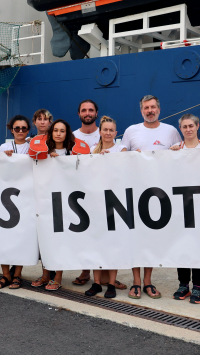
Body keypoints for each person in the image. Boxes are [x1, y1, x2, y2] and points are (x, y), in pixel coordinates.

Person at [121, 95, 181, 299]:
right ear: (141, 111)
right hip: (136, 192)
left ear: (159, 109)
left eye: (153, 107)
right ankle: (136, 281)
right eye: (146, 108)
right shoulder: (131, 131)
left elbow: (183, 157)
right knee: (136, 236)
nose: (150, 110)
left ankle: (148, 281)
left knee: (152, 237)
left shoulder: (171, 131)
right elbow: (120, 158)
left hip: (160, 194)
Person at [169, 113, 200, 304]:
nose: (188, 129)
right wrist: (170, 155)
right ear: (181, 129)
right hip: (181, 206)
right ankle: (183, 284)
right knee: (182, 244)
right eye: (184, 127)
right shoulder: (175, 151)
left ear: (197, 126)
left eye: (191, 126)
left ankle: (198, 287)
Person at [32, 119, 76, 291]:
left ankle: (57, 276)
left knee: (61, 239)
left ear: (67, 133)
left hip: (66, 202)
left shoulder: (72, 153)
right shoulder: (43, 151)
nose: (58, 133)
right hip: (45, 201)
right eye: (55, 130)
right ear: (51, 133)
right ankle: (45, 274)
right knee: (45, 238)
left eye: (62, 131)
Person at [85, 116, 127, 299]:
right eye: (105, 130)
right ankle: (96, 283)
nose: (108, 133)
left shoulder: (121, 149)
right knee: (96, 243)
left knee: (112, 244)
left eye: (111, 130)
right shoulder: (91, 151)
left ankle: (111, 283)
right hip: (96, 203)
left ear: (116, 133)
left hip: (115, 203)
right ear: (100, 132)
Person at [0, 115, 31, 290]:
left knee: (20, 237)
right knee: (4, 236)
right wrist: (4, 156)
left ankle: (17, 275)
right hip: (6, 195)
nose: (21, 131)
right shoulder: (4, 146)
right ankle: (5, 274)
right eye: (17, 128)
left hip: (25, 196)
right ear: (12, 130)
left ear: (28, 130)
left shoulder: (32, 147)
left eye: (24, 128)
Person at [72, 99, 100, 287]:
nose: (87, 113)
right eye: (84, 110)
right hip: (79, 191)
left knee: (102, 232)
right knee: (83, 232)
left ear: (96, 113)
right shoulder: (72, 136)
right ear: (79, 114)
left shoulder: (105, 132)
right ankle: (85, 270)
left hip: (100, 191)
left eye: (91, 110)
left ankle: (105, 271)